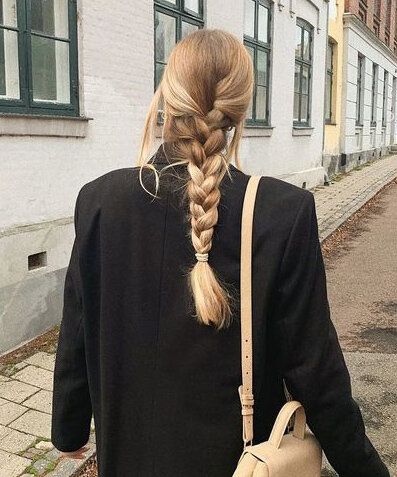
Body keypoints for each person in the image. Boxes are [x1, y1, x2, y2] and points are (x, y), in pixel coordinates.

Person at [51, 29, 390, 477]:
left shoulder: (99, 201)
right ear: (238, 110)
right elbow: (316, 371)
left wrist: (69, 430)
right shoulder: (281, 213)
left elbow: (77, 329)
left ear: (166, 96)